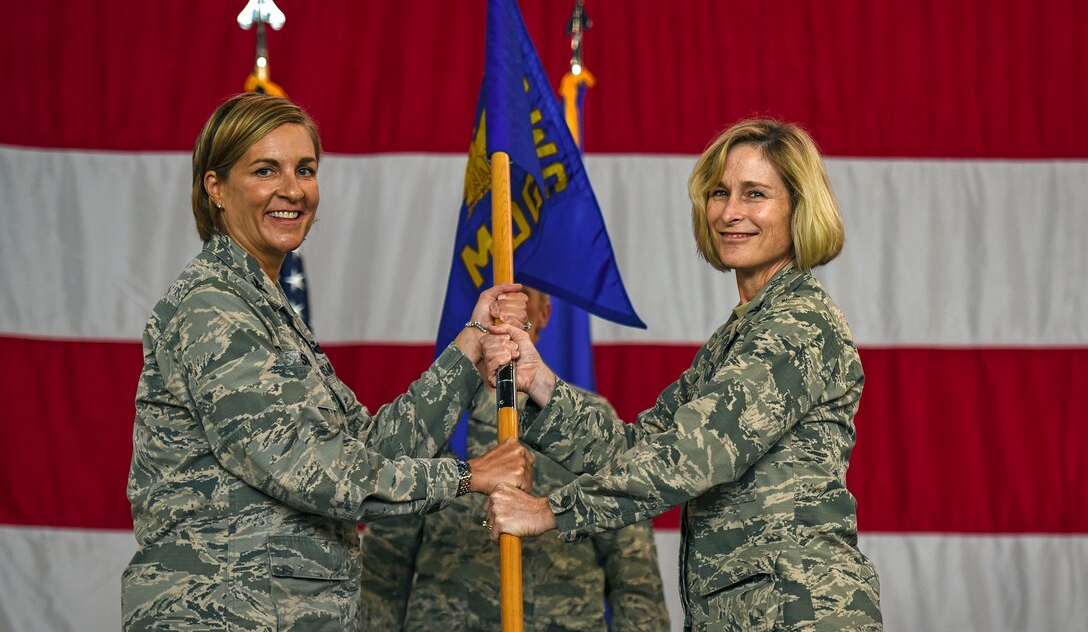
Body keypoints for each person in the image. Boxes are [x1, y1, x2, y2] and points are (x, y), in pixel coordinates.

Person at [122, 93, 535, 630]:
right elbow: (311, 472)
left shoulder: (264, 306)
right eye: (265, 170)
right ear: (215, 187)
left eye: (305, 169)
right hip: (221, 613)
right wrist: (467, 475)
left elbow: (367, 450)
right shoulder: (213, 307)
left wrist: (470, 346)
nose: (292, 190)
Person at [482, 118, 883, 630]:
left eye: (755, 194)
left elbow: (696, 454)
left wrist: (550, 511)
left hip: (799, 613)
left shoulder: (798, 323)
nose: (731, 212)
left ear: (799, 209)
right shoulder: (738, 335)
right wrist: (539, 381)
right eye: (720, 192)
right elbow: (638, 447)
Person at [358, 288, 670, 630]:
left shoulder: (589, 421)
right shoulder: (430, 420)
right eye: (495, 304)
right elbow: (384, 569)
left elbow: (633, 568)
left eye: (519, 301)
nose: (504, 316)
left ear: (543, 315)